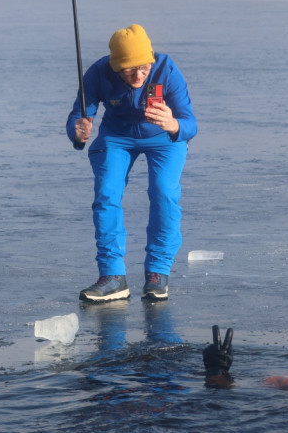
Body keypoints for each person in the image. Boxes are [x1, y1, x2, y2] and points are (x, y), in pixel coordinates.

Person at [67, 24, 197, 303]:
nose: (138, 75)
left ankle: (157, 274)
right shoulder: (98, 72)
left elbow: (190, 123)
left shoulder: (167, 69)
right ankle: (113, 276)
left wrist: (174, 124)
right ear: (115, 66)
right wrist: (77, 132)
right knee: (107, 194)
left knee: (163, 192)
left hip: (163, 138)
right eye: (129, 69)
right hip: (117, 137)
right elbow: (82, 111)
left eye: (144, 68)